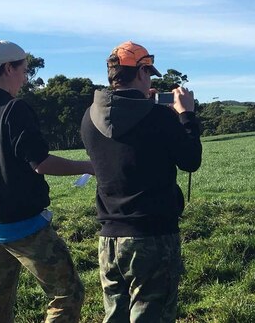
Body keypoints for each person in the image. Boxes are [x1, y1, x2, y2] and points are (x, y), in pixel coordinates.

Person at [0, 40, 94, 322]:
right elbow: (41, 163)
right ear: (8, 68)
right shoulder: (14, 109)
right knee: (68, 294)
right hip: (24, 226)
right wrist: (92, 166)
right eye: (24, 71)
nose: (25, 78)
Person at [80, 40, 202, 322]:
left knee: (115, 316)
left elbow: (125, 145)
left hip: (109, 237)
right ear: (141, 72)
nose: (149, 78)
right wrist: (186, 115)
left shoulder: (89, 117)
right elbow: (190, 160)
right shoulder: (159, 116)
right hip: (153, 235)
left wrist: (144, 106)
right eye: (148, 72)